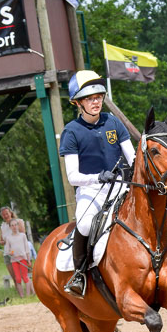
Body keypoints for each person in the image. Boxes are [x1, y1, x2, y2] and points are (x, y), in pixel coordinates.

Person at [58, 70, 136, 297]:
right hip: (91, 190)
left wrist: (134, 173)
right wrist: (97, 177)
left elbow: (131, 157)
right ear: (78, 102)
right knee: (83, 225)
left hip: (121, 186)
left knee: (166, 215)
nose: (96, 102)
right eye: (90, 98)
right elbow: (72, 176)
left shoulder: (114, 122)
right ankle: (80, 275)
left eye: (99, 97)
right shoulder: (71, 132)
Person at [3, 219, 34, 297]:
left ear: (18, 226)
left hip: (23, 259)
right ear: (10, 227)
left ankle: (28, 295)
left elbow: (27, 248)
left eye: (15, 225)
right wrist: (10, 252)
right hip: (14, 260)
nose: (14, 227)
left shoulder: (23, 236)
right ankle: (21, 296)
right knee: (18, 278)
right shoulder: (8, 238)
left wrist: (28, 259)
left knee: (25, 277)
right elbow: (7, 250)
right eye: (12, 225)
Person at [0, 206, 26, 280]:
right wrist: (3, 242)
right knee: (14, 277)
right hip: (7, 253)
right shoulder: (3, 226)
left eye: (7, 213)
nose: (5, 216)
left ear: (10, 213)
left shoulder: (18, 222)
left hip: (18, 252)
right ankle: (19, 291)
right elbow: (1, 240)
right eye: (3, 215)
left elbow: (23, 234)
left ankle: (28, 290)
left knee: (24, 275)